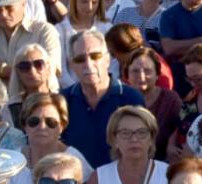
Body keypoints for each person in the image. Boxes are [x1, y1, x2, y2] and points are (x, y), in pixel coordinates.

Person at [60, 30, 145, 168]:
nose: (88, 64)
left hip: (119, 182)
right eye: (80, 59)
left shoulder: (131, 99)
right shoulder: (63, 101)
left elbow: (141, 148)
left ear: (108, 59)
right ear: (72, 65)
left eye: (95, 56)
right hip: (76, 183)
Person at [6, 92, 93, 184]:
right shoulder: (13, 160)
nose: (42, 127)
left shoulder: (75, 160)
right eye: (34, 121)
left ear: (62, 126)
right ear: (24, 125)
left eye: (50, 122)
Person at [124, 47, 183, 160]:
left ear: (157, 74)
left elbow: (182, 125)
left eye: (147, 71)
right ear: (127, 75)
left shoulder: (170, 99)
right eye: (135, 71)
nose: (141, 76)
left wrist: (172, 143)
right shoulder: (120, 99)